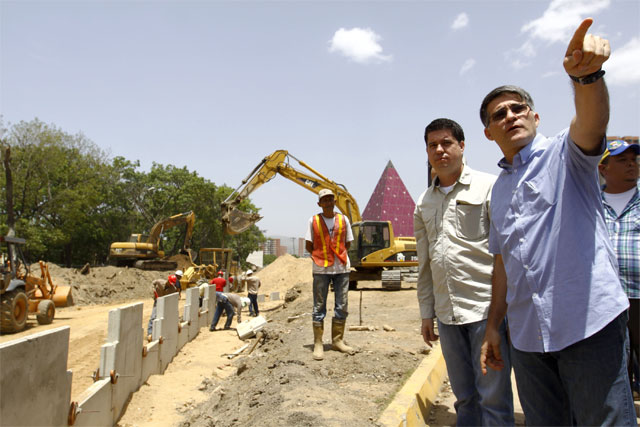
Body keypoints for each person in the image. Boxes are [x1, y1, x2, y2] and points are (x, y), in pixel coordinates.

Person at [479, 18, 636, 426]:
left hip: (588, 325)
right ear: (488, 132)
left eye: (518, 108)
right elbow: (504, 263)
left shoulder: (566, 156)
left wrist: (587, 79)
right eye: (500, 114)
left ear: (535, 116)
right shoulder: (497, 191)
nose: (511, 115)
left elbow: (591, 123)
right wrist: (495, 326)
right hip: (529, 338)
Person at [414, 118, 513, 425]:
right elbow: (425, 263)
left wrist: (498, 315)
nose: (440, 150)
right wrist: (427, 313)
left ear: (461, 146)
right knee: (465, 397)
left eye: (446, 143)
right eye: (433, 145)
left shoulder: (489, 187)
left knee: (493, 398)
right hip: (447, 316)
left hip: (484, 310)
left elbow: (504, 256)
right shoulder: (423, 202)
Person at [599, 139, 640, 397]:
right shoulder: (589, 204)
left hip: (639, 296)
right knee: (614, 366)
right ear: (603, 169)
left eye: (633, 160)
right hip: (605, 299)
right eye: (622, 160)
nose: (631, 165)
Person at [304, 188, 355, 360]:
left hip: (341, 267)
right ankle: (318, 343)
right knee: (319, 306)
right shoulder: (313, 220)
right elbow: (309, 245)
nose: (328, 202)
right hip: (321, 269)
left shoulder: (343, 219)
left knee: (342, 305)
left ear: (334, 201)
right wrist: (320, 257)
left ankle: (337, 341)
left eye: (330, 199)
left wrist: (337, 257)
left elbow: (347, 243)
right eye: (324, 200)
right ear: (319, 203)